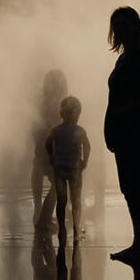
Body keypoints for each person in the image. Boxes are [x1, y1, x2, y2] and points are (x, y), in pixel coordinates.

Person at [105, 7, 140, 266]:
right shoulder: (128, 56)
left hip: (133, 128)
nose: (120, 31)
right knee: (130, 186)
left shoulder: (138, 56)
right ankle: (139, 244)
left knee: (135, 186)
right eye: (117, 26)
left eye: (125, 25)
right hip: (126, 128)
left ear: (135, 26)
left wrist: (123, 112)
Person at [44, 95, 91, 245]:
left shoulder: (56, 130)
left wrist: (52, 157)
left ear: (61, 114)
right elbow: (87, 146)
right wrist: (84, 161)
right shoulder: (80, 131)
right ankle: (76, 228)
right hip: (75, 169)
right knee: (75, 200)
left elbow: (48, 142)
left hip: (60, 168)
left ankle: (63, 227)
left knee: (62, 200)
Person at [32, 69, 68, 232]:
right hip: (52, 153)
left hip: (41, 151)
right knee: (59, 185)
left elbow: (36, 128)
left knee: (44, 182)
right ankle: (44, 218)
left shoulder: (42, 104)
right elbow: (57, 129)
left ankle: (39, 212)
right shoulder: (58, 105)